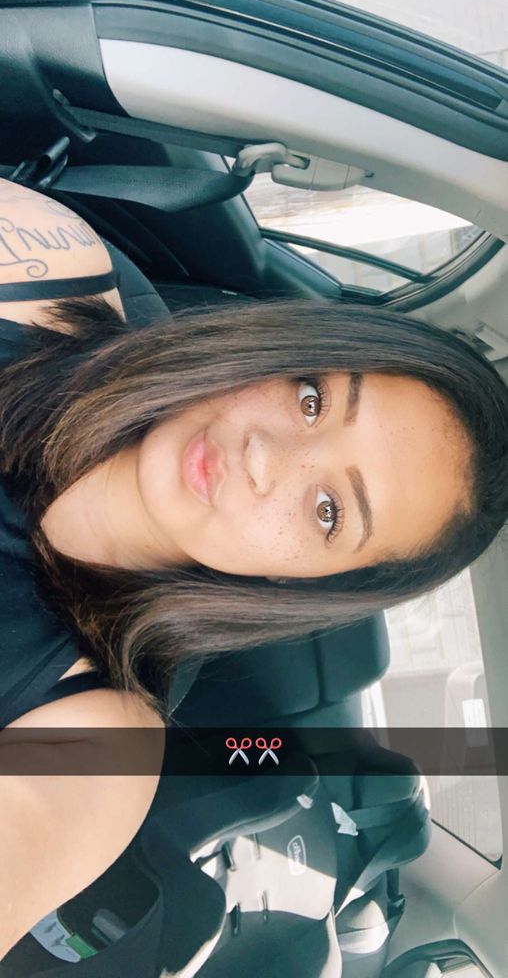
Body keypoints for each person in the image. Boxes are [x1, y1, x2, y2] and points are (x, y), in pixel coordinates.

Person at [0, 175, 506, 958]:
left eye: (328, 510)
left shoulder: (99, 742)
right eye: (312, 399)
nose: (266, 456)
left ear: (302, 585)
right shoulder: (50, 270)